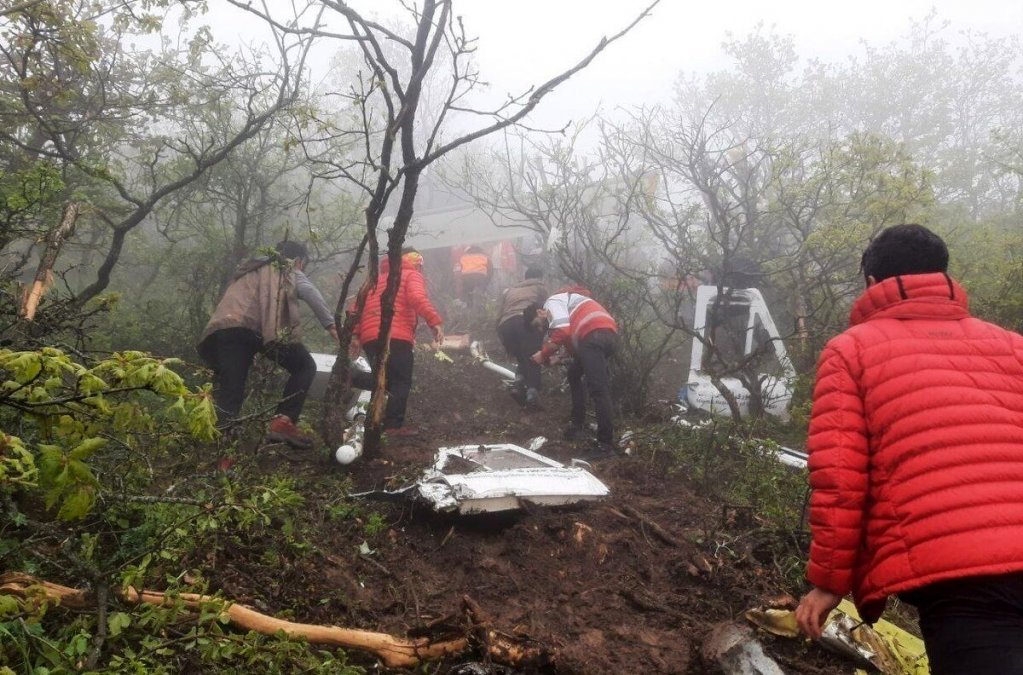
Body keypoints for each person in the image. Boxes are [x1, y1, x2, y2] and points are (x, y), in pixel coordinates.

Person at [794, 224, 1023, 674]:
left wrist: (827, 583)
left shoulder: (851, 351)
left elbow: (841, 479)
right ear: (942, 274)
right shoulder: (1013, 347)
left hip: (963, 580)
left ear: (872, 282)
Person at [198, 240, 338, 449]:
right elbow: (310, 292)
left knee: (231, 390)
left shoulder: (249, 269)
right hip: (253, 328)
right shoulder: (285, 266)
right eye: (303, 266)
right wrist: (332, 326)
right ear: (298, 261)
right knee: (304, 366)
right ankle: (283, 422)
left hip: (223, 329)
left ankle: (222, 451)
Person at [350, 248, 444, 435]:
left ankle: (352, 379)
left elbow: (355, 308)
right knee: (401, 381)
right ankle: (393, 426)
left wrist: (355, 335)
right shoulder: (411, 275)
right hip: (396, 335)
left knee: (385, 380)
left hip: (370, 338)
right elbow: (417, 297)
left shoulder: (373, 280)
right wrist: (435, 321)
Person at [527, 287, 619, 460]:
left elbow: (562, 331)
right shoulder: (566, 305)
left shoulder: (551, 302)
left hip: (594, 334)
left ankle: (606, 446)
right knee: (574, 374)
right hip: (605, 334)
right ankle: (577, 426)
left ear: (540, 312)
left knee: (598, 389)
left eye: (538, 325)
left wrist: (543, 354)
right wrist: (558, 358)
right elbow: (574, 344)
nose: (541, 330)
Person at [495, 266, 547, 406]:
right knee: (534, 356)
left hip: (505, 325)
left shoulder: (511, 291)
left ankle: (518, 385)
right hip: (524, 322)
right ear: (540, 278)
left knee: (522, 357)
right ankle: (532, 393)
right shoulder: (540, 288)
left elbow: (500, 313)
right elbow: (545, 310)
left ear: (525, 278)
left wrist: (501, 335)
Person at [455, 244, 492, 309]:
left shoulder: (463, 257)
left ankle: (469, 306)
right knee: (481, 292)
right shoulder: (484, 257)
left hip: (466, 277)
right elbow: (490, 270)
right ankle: (482, 307)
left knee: (468, 292)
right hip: (480, 276)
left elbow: (459, 269)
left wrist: (461, 279)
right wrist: (487, 282)